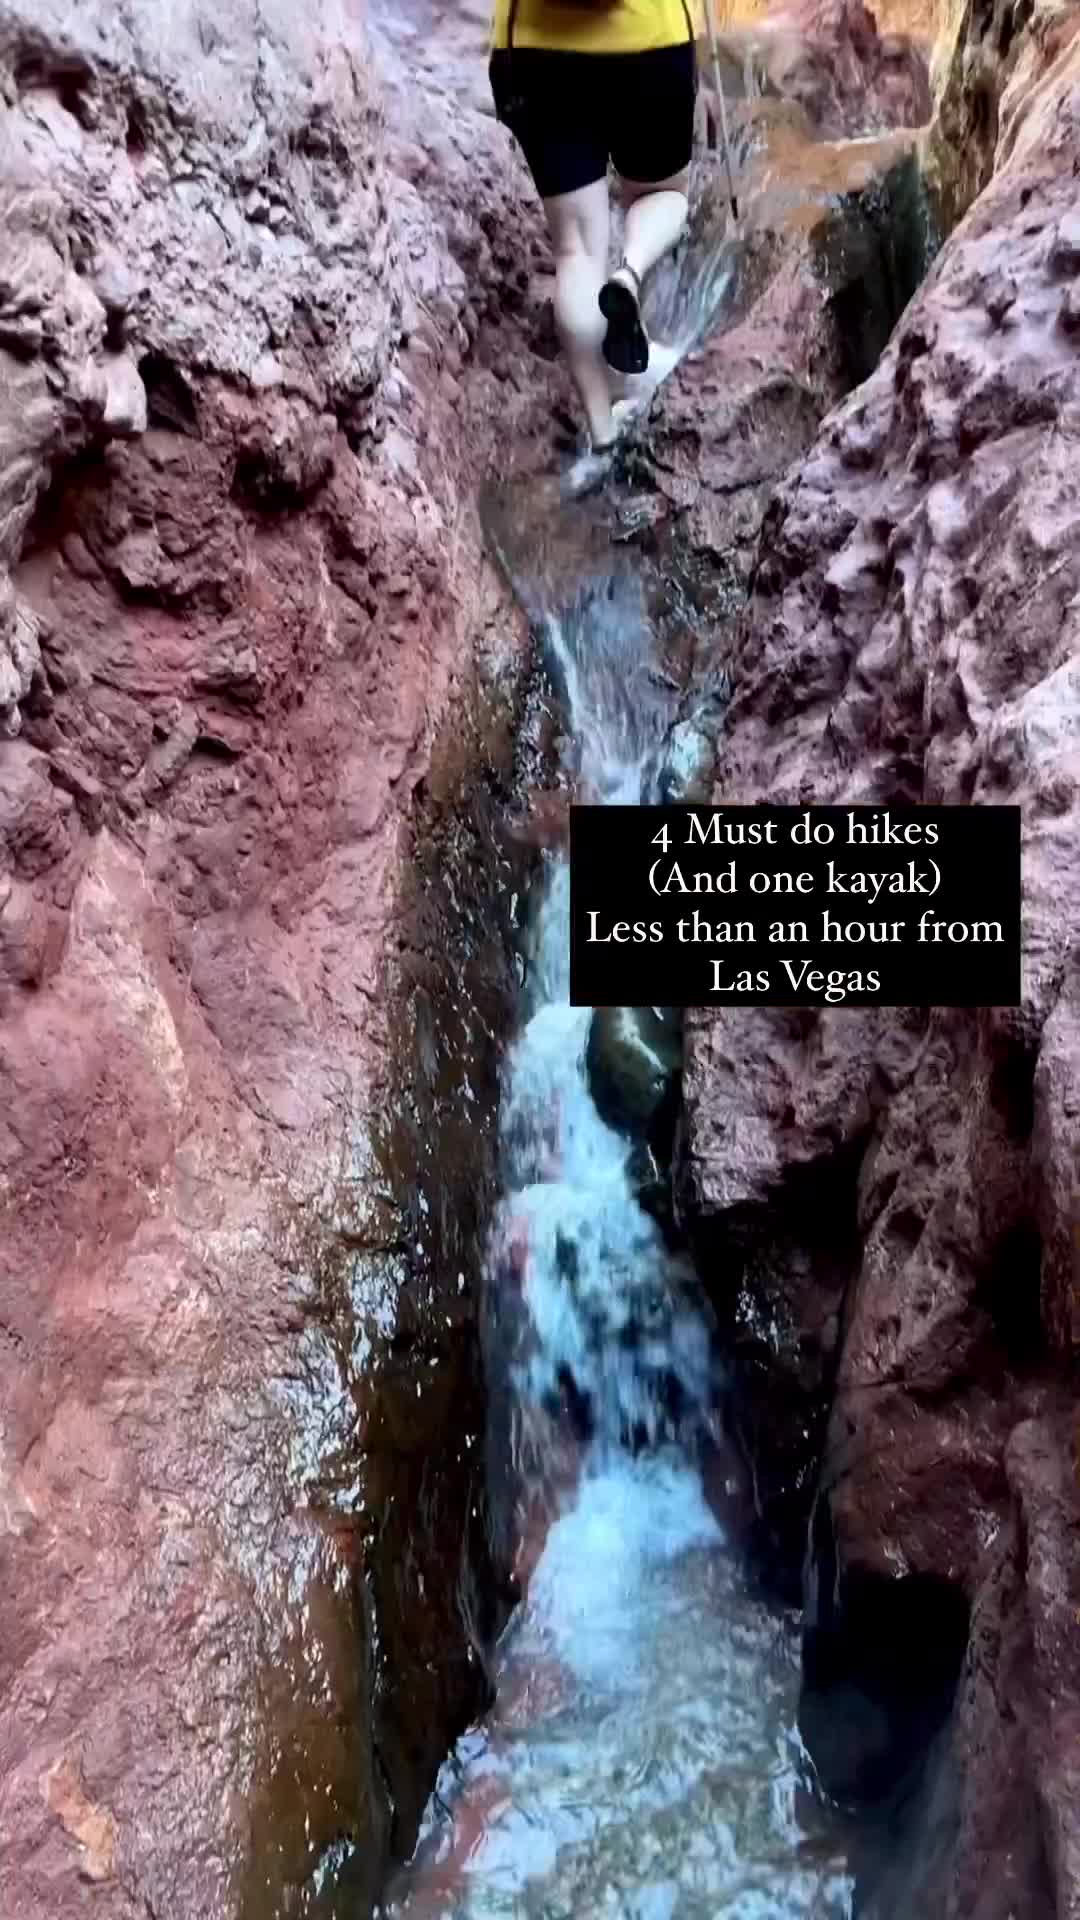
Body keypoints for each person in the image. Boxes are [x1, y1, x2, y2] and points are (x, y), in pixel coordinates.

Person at [489, 0, 699, 455]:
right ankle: (630, 271)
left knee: (577, 252)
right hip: (649, 39)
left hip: (535, 49)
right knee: (660, 195)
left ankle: (603, 435)